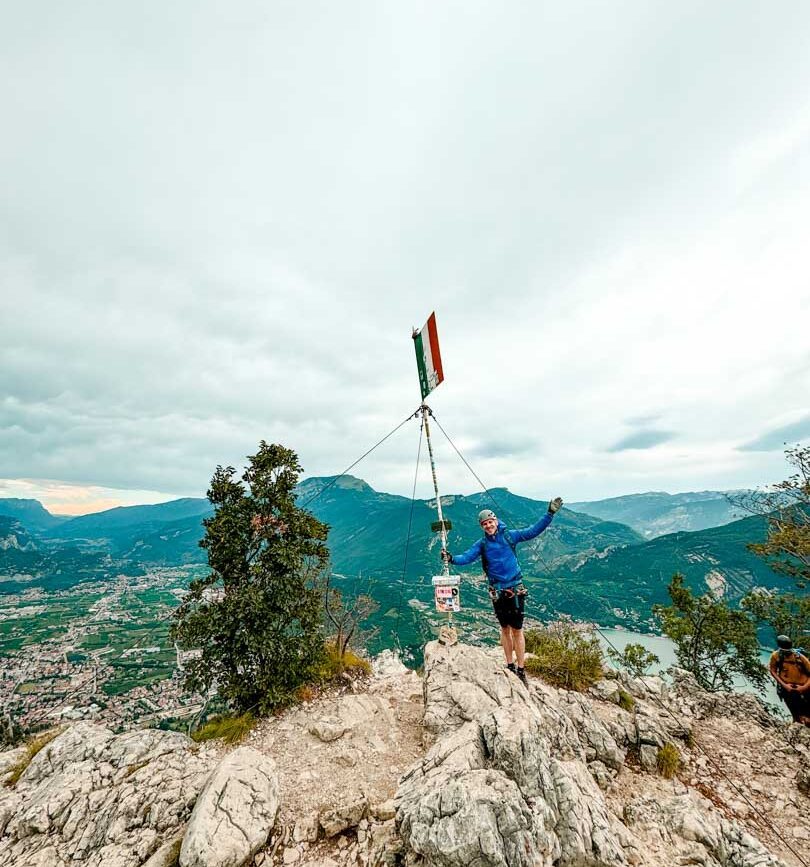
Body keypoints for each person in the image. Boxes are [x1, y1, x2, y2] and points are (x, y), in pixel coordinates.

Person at [441, 497, 563, 684]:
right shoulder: (482, 544)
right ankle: (510, 665)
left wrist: (550, 514)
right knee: (505, 629)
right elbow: (467, 557)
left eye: (490, 522)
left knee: (517, 630)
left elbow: (533, 531)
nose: (488, 526)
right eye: (485, 524)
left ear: (496, 521)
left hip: (514, 588)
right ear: (482, 526)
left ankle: (521, 669)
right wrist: (451, 559)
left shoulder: (510, 536)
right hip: (498, 591)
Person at [769, 635, 810, 726]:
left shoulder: (800, 657)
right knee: (794, 710)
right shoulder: (776, 656)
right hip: (788, 688)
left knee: (807, 716)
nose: (786, 653)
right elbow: (772, 670)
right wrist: (784, 685)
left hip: (804, 688)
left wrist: (803, 687)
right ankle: (797, 723)